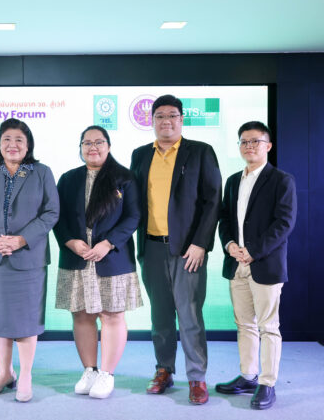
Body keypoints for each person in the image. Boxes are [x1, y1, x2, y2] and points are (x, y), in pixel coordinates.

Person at [130, 94, 221, 405]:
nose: (165, 121)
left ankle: (197, 377)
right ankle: (164, 370)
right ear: (152, 121)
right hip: (152, 248)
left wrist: (200, 243)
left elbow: (213, 200)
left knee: (190, 315)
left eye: (172, 115)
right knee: (160, 316)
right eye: (159, 116)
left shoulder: (200, 152)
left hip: (188, 251)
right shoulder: (140, 155)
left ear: (182, 119)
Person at [0, 118, 59, 403]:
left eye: (19, 139)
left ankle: (25, 376)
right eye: (6, 139)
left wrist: (21, 239)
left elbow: (51, 212)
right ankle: (5, 373)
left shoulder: (41, 172)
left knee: (26, 320)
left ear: (28, 145)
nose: (12, 144)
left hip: (28, 258)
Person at [54, 126, 143, 399]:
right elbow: (57, 217)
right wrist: (70, 241)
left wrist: (108, 243)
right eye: (87, 143)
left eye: (99, 142)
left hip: (112, 258)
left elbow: (133, 216)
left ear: (109, 146)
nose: (93, 147)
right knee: (81, 314)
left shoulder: (124, 178)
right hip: (77, 257)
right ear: (80, 148)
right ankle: (90, 370)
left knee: (112, 315)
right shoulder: (68, 179)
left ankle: (107, 374)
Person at [216, 121, 297, 410]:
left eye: (255, 141)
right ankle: (248, 376)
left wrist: (253, 251)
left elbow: (284, 223)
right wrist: (229, 245)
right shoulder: (232, 181)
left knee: (268, 326)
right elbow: (224, 219)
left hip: (265, 263)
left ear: (268, 146)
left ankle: (267, 383)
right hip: (236, 262)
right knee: (244, 324)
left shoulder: (282, 180)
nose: (249, 146)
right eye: (244, 141)